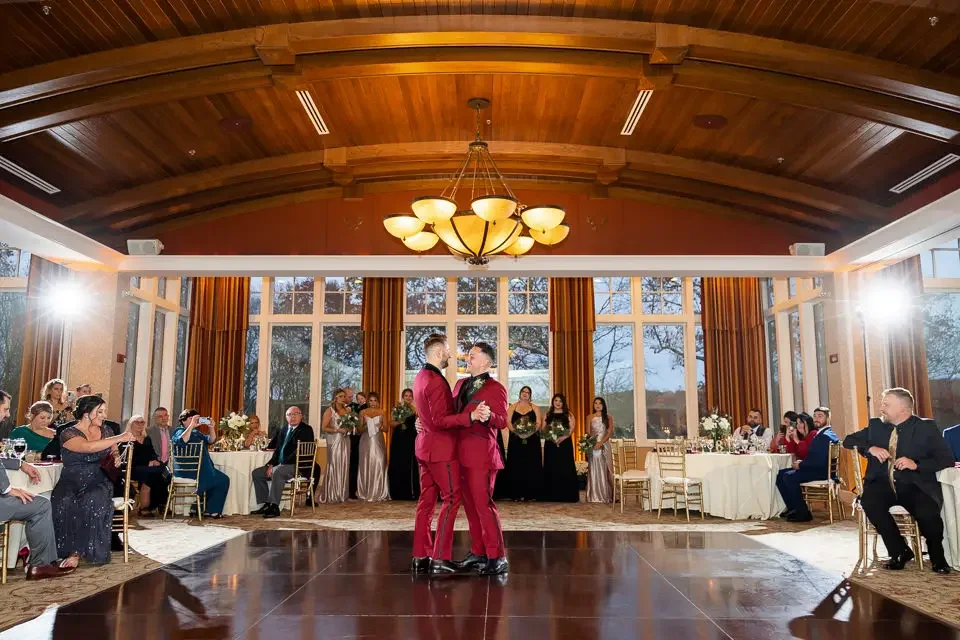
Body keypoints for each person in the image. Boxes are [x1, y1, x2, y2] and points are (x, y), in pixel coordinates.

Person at [843, 388, 954, 574]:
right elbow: (848, 440)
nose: (881, 408)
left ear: (903, 409)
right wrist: (870, 448)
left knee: (927, 512)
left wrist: (916, 464)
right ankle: (899, 551)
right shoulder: (876, 426)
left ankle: (937, 557)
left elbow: (946, 459)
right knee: (870, 502)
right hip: (882, 484)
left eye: (886, 404)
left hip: (914, 485)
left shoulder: (925, 428)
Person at [411, 333, 487, 575]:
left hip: (424, 447)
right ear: (438, 352)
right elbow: (440, 420)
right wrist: (471, 417)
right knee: (452, 498)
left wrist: (421, 421)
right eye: (448, 349)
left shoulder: (420, 377)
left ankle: (420, 556)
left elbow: (427, 414)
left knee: (426, 503)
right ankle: (440, 558)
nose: (451, 354)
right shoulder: (434, 380)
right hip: (440, 449)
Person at [0, 390, 77, 580]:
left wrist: (21, 464)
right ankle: (40, 564)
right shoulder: (19, 432)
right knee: (42, 505)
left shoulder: (54, 434)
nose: (8, 414)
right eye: (5, 409)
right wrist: (8, 489)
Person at [51, 395, 137, 564]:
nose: (104, 415)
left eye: (104, 411)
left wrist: (116, 457)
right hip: (71, 480)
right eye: (100, 411)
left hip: (98, 480)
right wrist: (119, 438)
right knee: (64, 500)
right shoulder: (68, 433)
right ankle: (67, 551)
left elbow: (113, 452)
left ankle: (79, 553)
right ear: (86, 413)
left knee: (93, 500)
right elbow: (87, 447)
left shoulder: (106, 431)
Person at [451, 342, 509, 576]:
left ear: (486, 361)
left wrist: (489, 416)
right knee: (471, 507)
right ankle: (478, 552)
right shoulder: (459, 384)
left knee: (484, 505)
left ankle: (497, 556)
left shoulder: (496, 388)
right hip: (458, 453)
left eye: (473, 356)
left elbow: (503, 421)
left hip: (481, 455)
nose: (468, 359)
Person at [251, 406, 314, 518]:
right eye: (290, 414)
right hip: (280, 465)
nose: (293, 416)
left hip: (298, 466)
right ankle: (266, 504)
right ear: (286, 417)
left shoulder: (306, 430)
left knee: (278, 471)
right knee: (257, 473)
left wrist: (280, 464)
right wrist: (271, 464)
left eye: (296, 414)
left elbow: (297, 453)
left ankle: (274, 506)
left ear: (301, 416)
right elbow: (278, 450)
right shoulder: (283, 429)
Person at [775, 411, 838, 522]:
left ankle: (802, 513)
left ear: (828, 418)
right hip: (816, 467)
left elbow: (818, 459)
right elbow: (813, 456)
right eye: (815, 416)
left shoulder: (823, 436)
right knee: (780, 474)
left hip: (820, 471)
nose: (816, 418)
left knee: (789, 476)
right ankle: (794, 508)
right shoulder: (824, 434)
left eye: (820, 416)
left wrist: (801, 464)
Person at [172, 409, 230, 519]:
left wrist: (211, 428)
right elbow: (182, 441)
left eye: (196, 419)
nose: (195, 421)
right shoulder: (179, 431)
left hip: (201, 469)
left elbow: (211, 440)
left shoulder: (196, 432)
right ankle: (206, 507)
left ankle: (205, 509)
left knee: (223, 479)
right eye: (191, 419)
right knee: (221, 480)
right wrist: (191, 426)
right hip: (187, 469)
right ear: (183, 421)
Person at [123, 415, 171, 516]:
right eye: (137, 422)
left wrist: (154, 460)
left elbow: (152, 453)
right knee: (152, 474)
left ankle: (155, 503)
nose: (140, 425)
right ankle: (146, 506)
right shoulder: (126, 438)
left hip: (148, 468)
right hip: (133, 468)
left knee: (165, 471)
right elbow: (127, 458)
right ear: (131, 424)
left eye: (142, 422)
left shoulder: (147, 438)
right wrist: (147, 463)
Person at [504, 386, 543, 502]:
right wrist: (518, 433)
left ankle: (530, 494)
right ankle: (516, 494)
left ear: (530, 395)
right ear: (520, 393)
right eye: (523, 392)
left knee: (531, 465)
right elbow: (508, 422)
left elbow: (538, 423)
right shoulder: (512, 407)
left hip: (532, 440)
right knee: (516, 464)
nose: (525, 394)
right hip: (516, 440)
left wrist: (528, 433)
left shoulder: (534, 407)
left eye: (527, 392)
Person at [542, 393, 579, 502]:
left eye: (560, 401)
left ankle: (566, 495)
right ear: (553, 402)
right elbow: (543, 428)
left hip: (565, 444)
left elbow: (572, 429)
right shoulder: (548, 414)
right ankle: (551, 495)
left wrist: (562, 438)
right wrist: (551, 437)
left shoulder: (569, 414)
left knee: (565, 467)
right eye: (556, 400)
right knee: (551, 466)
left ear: (563, 403)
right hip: (550, 444)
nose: (557, 403)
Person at [320, 390, 353, 504]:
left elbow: (351, 425)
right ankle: (332, 493)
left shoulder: (348, 410)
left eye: (344, 396)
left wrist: (349, 428)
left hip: (345, 440)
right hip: (334, 441)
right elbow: (324, 428)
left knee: (344, 464)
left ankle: (342, 493)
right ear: (335, 398)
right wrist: (337, 430)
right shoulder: (330, 411)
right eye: (340, 396)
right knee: (334, 465)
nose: (343, 398)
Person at [387, 388, 420, 501]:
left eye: (410, 396)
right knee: (399, 462)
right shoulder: (396, 408)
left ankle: (411, 491)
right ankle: (398, 491)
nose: (408, 397)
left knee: (410, 463)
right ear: (403, 396)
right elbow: (390, 423)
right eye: (406, 395)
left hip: (411, 438)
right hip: (399, 438)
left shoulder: (415, 409)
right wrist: (400, 422)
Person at [357, 392, 390, 502]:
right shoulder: (362, 412)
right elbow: (359, 430)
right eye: (370, 400)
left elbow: (386, 429)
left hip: (378, 440)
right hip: (366, 441)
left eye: (375, 400)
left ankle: (379, 491)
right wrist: (366, 426)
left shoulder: (382, 412)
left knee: (379, 462)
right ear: (367, 401)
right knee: (366, 464)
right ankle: (365, 491)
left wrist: (379, 427)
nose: (373, 403)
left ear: (378, 401)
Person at [585, 397, 614, 504]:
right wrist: (592, 443)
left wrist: (600, 443)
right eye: (595, 403)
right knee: (594, 469)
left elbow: (609, 432)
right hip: (593, 445)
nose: (597, 405)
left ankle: (607, 495)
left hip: (604, 444)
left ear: (603, 405)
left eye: (600, 403)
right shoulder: (589, 417)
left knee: (606, 470)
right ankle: (594, 495)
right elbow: (588, 432)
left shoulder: (608, 417)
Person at [344, 386, 363, 499]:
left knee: (354, 464)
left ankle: (352, 490)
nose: (351, 399)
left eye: (352, 396)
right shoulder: (339, 408)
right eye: (349, 396)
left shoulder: (357, 407)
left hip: (355, 438)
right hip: (343, 437)